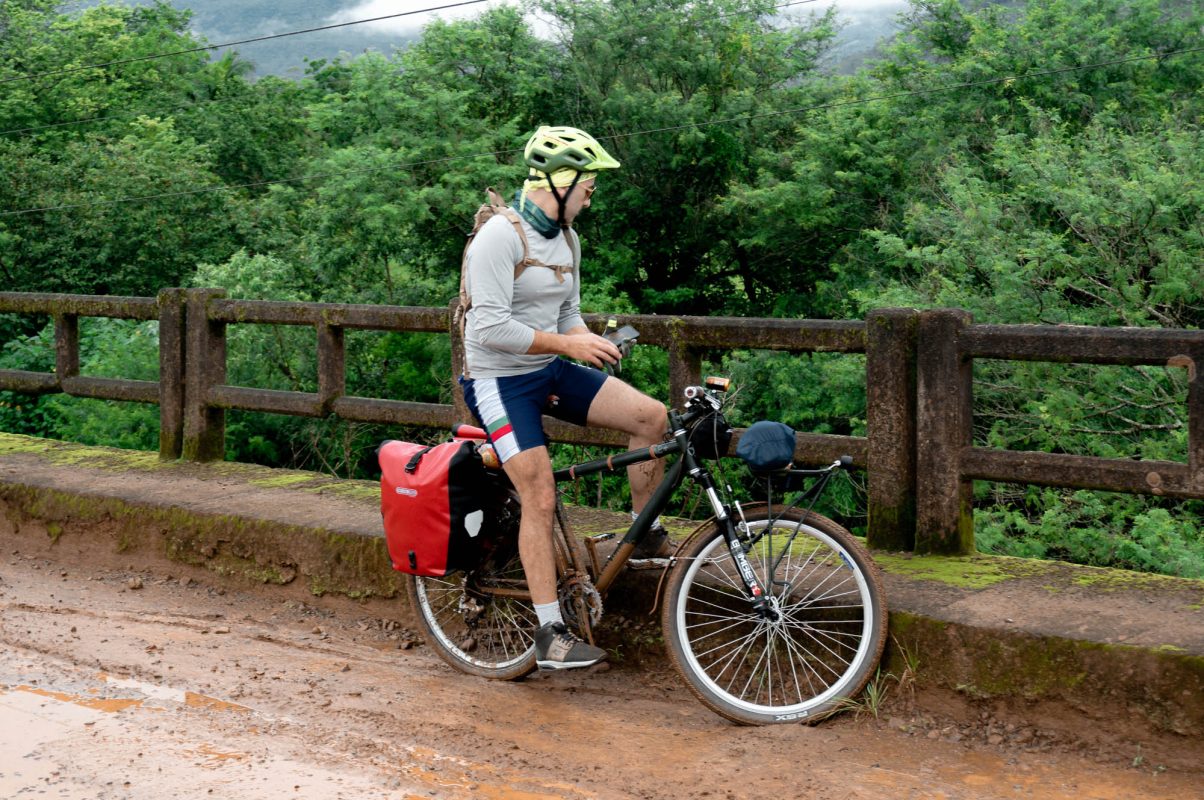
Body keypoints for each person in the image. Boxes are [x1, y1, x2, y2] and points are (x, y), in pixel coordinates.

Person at [459, 125, 669, 671]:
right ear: (558, 181)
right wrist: (567, 344)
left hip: (546, 368)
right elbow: (489, 330)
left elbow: (565, 316)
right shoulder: (500, 239)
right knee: (541, 493)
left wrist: (591, 341)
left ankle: (643, 535)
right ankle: (551, 631)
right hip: (498, 381)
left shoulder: (567, 238)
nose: (591, 195)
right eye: (588, 185)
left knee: (652, 417)